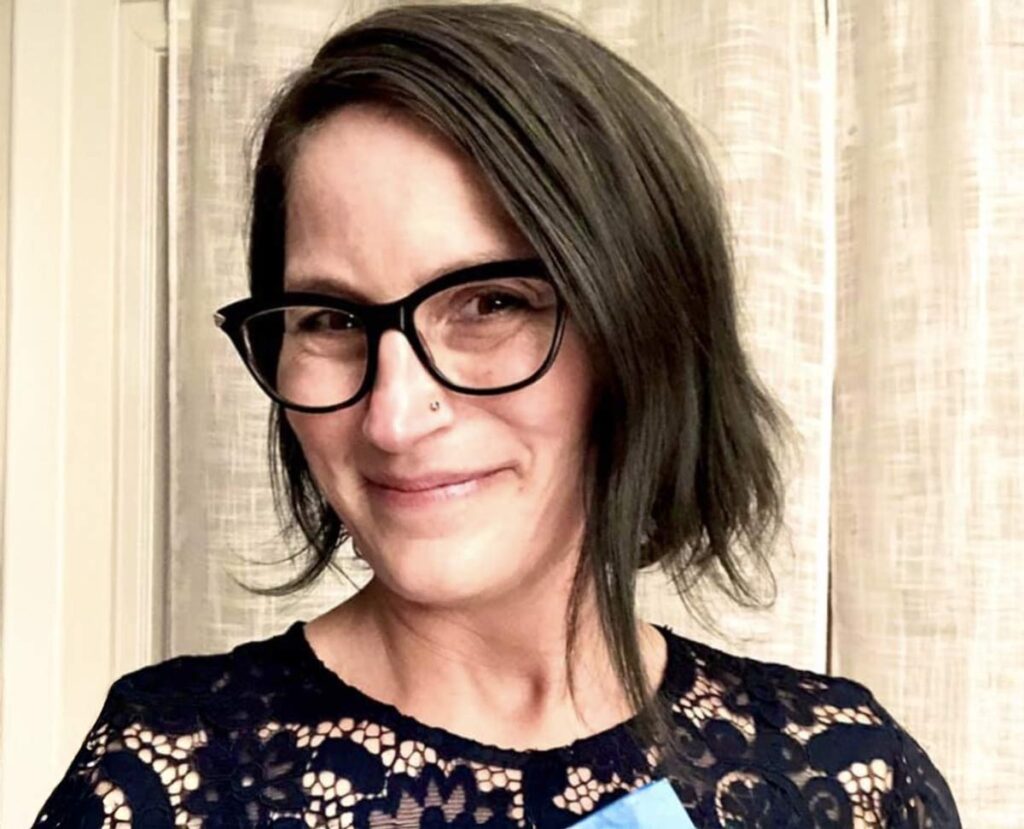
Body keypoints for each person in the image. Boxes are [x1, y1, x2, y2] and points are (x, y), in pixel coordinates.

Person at [32, 3, 961, 827]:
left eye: (490, 303)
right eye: (328, 318)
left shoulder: (846, 778)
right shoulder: (168, 774)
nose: (393, 416)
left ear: (643, 326)